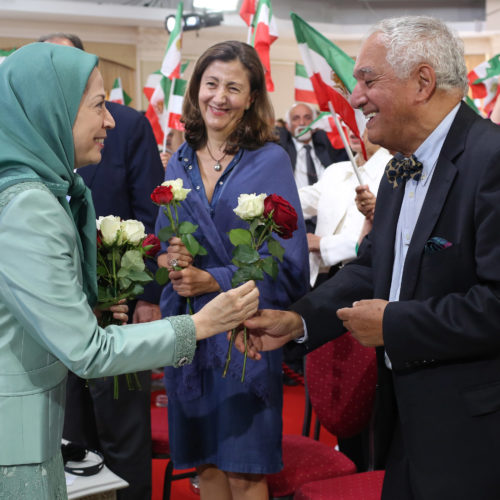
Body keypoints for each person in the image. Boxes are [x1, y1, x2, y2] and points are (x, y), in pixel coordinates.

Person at [234, 16, 500, 499]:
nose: (354, 98)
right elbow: (370, 268)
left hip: (474, 439)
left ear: (422, 82)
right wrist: (298, 320)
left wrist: (395, 324)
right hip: (400, 428)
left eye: (367, 80)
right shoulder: (399, 168)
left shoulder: (492, 160)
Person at [0, 42, 259, 499]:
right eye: (99, 105)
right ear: (53, 111)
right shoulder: (30, 207)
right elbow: (88, 352)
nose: (110, 121)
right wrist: (199, 324)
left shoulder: (30, 188)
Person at [156, 40, 309, 499]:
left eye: (233, 88)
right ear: (196, 89)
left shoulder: (270, 159)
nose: (219, 97)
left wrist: (213, 279)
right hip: (189, 331)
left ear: (252, 98)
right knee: (205, 465)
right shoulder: (179, 158)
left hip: (246, 334)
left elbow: (288, 260)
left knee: (246, 469)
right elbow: (163, 241)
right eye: (211, 84)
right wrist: (171, 260)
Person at [39, 32, 165, 499]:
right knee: (70, 435)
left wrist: (148, 295)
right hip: (53, 313)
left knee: (123, 433)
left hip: (120, 308)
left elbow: (153, 214)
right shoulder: (29, 140)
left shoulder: (125, 125)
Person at [299, 129, 390, 288]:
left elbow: (380, 235)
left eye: (361, 122)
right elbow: (302, 200)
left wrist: (322, 244)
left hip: (364, 276)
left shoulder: (392, 170)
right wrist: (259, 201)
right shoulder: (336, 170)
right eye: (346, 122)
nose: (352, 128)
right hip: (322, 275)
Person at [277, 102, 348, 190]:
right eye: (296, 118)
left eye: (308, 118)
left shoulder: (327, 143)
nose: (302, 123)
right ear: (288, 126)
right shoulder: (282, 147)